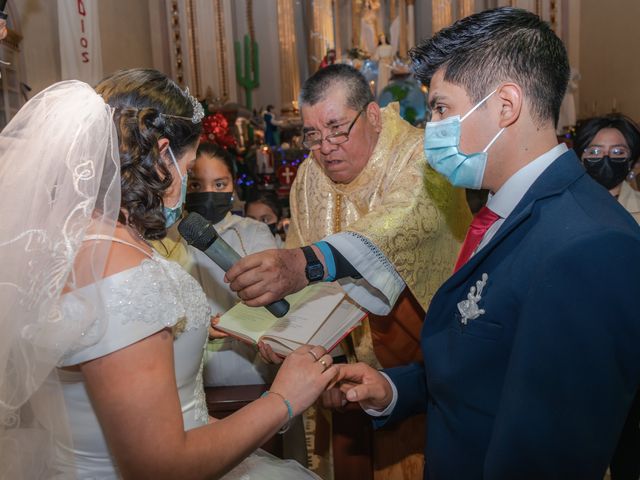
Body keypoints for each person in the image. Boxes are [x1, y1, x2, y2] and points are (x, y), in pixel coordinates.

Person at [324, 8, 640, 479]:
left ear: (506, 105)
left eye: (442, 109)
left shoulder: (589, 246)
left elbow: (549, 454)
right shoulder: (500, 208)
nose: (430, 127)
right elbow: (491, 364)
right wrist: (393, 389)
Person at [0, 69, 335, 479]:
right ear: (162, 155)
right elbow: (160, 466)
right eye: (190, 169)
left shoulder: (55, 248)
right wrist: (283, 398)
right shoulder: (123, 271)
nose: (189, 186)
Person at [226, 63, 470, 477]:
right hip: (335, 364)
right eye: (312, 135)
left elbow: (397, 230)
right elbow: (298, 273)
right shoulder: (309, 176)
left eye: (338, 129)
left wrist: (304, 263)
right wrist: (290, 340)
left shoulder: (420, 158)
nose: (325, 147)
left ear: (372, 115)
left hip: (411, 364)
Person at [185, 142, 278, 387]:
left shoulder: (254, 232)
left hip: (251, 364)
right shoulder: (172, 237)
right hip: (193, 368)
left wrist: (237, 320)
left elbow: (273, 292)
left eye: (219, 184)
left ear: (233, 186)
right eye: (196, 185)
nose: (209, 193)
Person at [574, 114, 640, 222]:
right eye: (595, 151)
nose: (606, 158)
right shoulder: (562, 207)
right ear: (580, 159)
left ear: (630, 161)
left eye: (617, 152)